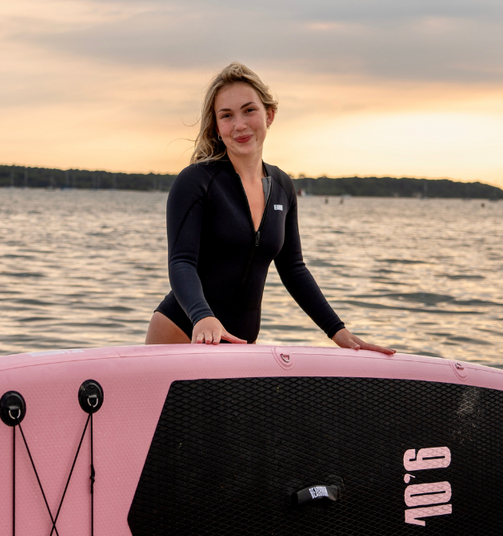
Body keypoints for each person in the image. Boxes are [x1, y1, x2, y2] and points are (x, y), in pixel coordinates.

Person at [146, 62, 394, 354]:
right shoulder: (196, 181)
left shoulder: (282, 186)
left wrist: (337, 330)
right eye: (227, 116)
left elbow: (293, 269)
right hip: (185, 331)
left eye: (249, 110)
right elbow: (181, 262)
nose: (239, 124)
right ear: (216, 125)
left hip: (241, 345)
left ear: (269, 115)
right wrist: (202, 316)